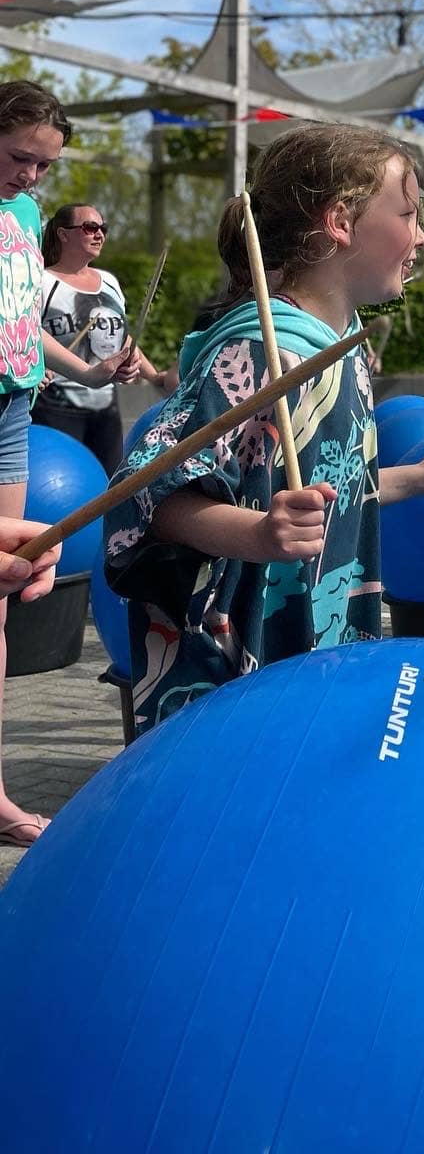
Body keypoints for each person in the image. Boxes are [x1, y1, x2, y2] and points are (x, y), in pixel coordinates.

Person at [103, 125, 424, 735]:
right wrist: (257, 534)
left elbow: (318, 490)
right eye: (408, 214)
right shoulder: (261, 351)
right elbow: (142, 494)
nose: (423, 236)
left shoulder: (340, 348)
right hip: (237, 682)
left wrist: (418, 477)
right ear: (340, 222)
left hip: (315, 647)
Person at [0, 82, 143, 848]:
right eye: (18, 156)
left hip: (13, 410)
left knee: (2, 594)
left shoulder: (23, 215)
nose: (30, 176)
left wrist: (87, 371)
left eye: (44, 166)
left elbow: (23, 320)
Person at [34, 202, 163, 474]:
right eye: (90, 228)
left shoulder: (109, 282)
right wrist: (35, 367)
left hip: (106, 409)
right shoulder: (41, 281)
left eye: (103, 228)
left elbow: (123, 338)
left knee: (109, 485)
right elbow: (26, 334)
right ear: (63, 234)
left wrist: (152, 376)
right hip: (56, 407)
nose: (99, 234)